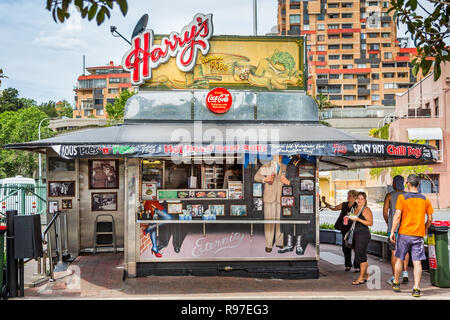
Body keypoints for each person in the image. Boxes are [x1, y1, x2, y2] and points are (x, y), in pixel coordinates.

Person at [390, 174, 433, 298]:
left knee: (399, 258)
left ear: (408, 184)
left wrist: (393, 231)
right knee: (417, 262)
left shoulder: (402, 198)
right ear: (418, 185)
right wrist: (424, 228)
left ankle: (396, 282)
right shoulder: (425, 199)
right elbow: (430, 218)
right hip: (418, 236)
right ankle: (416, 289)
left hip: (404, 234)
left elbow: (397, 216)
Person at [254, 155, 290, 253]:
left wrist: (287, 182)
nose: (279, 157)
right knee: (269, 222)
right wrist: (265, 179)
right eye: (277, 155)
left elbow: (289, 180)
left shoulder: (285, 167)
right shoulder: (266, 166)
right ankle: (269, 244)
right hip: (269, 197)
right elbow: (256, 177)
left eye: (280, 155)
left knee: (280, 221)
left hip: (281, 197)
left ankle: (279, 242)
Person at [322, 190, 360, 272]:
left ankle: (357, 266)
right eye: (348, 195)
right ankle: (348, 264)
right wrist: (325, 203)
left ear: (355, 197)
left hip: (355, 230)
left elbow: (359, 217)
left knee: (356, 248)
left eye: (349, 195)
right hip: (345, 229)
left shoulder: (358, 206)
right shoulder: (344, 204)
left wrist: (351, 215)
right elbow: (334, 208)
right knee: (346, 248)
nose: (347, 197)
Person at [383, 175, 409, 285]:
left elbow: (385, 213)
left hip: (393, 230)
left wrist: (390, 224)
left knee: (394, 253)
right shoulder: (407, 196)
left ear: (394, 183)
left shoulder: (389, 196)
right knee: (405, 251)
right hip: (406, 229)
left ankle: (395, 277)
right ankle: (405, 272)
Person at [348, 192, 373, 285]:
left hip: (363, 235)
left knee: (361, 256)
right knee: (360, 255)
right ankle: (366, 275)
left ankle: (361, 278)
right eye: (358, 198)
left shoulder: (366, 210)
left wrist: (358, 219)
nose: (359, 200)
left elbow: (370, 223)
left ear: (365, 200)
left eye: (362, 199)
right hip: (355, 234)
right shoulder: (354, 209)